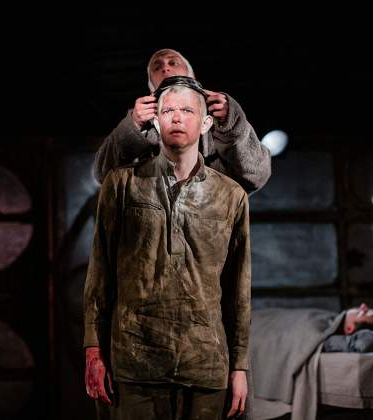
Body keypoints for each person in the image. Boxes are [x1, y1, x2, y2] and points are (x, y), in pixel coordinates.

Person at [84, 75, 252, 419]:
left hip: (205, 362)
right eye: (168, 110)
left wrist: (240, 365)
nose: (177, 117)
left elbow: (239, 287)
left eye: (187, 110)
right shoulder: (122, 184)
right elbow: (99, 273)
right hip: (133, 360)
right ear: (156, 122)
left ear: (206, 123)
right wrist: (93, 350)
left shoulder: (231, 195)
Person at [93, 48, 271, 194]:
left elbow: (255, 176)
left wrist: (232, 124)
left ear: (191, 76)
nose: (165, 68)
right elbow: (104, 175)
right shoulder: (143, 127)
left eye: (173, 63)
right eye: (157, 67)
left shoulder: (219, 122)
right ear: (151, 87)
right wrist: (133, 127)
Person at [249, 303, 373, 420]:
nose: (363, 306)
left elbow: (366, 342)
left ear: (349, 329)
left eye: (363, 313)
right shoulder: (326, 317)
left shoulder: (324, 331)